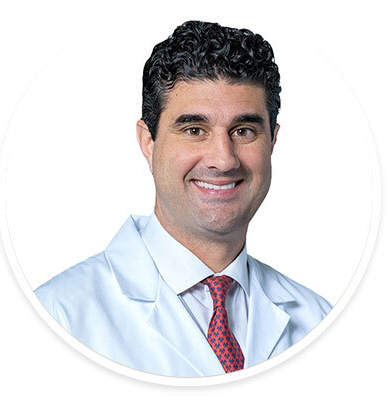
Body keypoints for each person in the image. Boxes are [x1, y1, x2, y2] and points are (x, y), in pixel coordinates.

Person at [35, 20, 332, 377]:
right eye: (194, 130)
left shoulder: (319, 321)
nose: (223, 159)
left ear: (272, 141)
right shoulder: (56, 317)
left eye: (244, 131)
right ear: (148, 141)